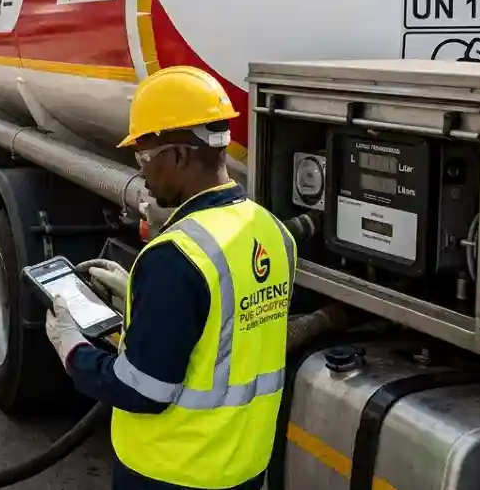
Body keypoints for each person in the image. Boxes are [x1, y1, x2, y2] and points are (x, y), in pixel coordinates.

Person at [44, 65, 297, 490]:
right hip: (244, 469)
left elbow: (143, 390)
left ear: (179, 156)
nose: (141, 172)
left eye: (144, 157)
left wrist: (72, 351)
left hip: (171, 472)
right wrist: (142, 302)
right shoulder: (274, 231)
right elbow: (225, 331)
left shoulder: (174, 257)